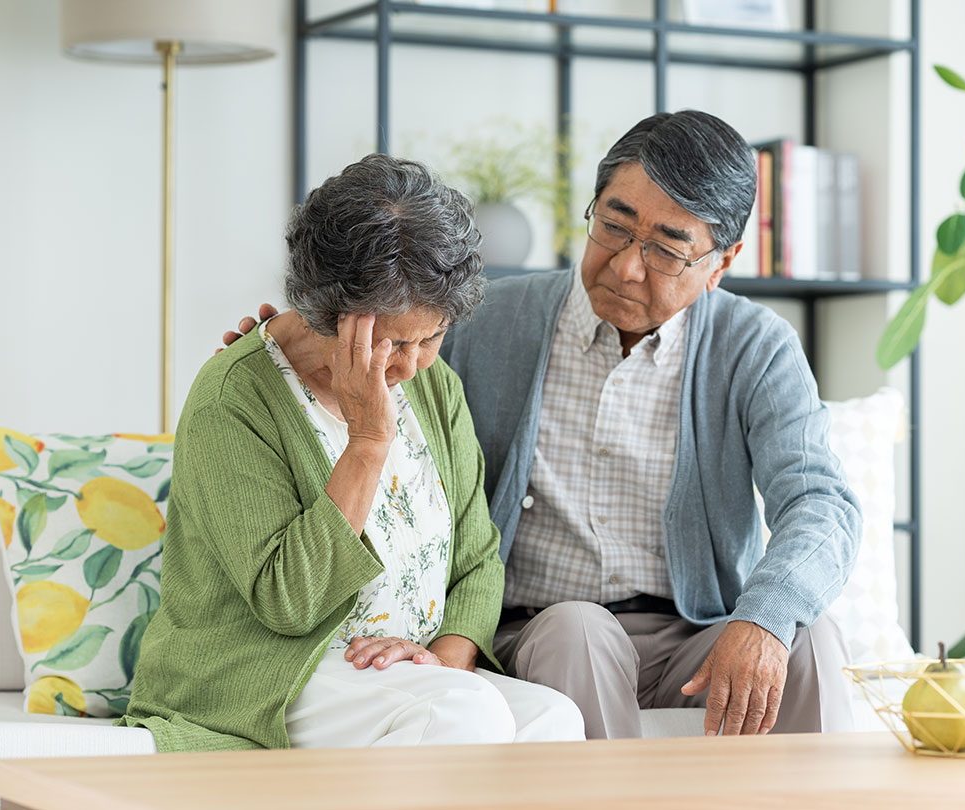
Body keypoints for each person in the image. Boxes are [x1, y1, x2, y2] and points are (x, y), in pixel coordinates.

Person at [224, 109, 862, 740]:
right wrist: (290, 351)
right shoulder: (490, 322)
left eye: (668, 250)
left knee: (811, 638)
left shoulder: (757, 347)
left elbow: (820, 504)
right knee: (576, 628)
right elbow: (382, 371)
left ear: (721, 263)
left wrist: (766, 618)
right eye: (614, 227)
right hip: (540, 628)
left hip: (693, 633)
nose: (627, 267)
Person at [119, 154, 584, 752]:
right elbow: (288, 602)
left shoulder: (434, 385)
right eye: (393, 341)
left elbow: (477, 558)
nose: (414, 364)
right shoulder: (234, 399)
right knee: (461, 715)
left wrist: (443, 658)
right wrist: (367, 444)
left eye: (434, 336)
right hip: (266, 674)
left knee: (554, 720)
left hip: (407, 677)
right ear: (326, 311)